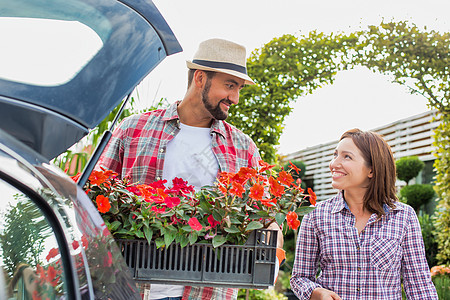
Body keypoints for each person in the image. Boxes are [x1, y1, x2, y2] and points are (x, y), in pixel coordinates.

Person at [98, 38, 284, 300]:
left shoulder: (243, 147)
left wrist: (272, 261)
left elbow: (266, 217)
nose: (235, 98)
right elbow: (93, 199)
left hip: (208, 290)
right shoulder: (133, 130)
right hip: (133, 286)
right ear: (200, 78)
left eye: (239, 88)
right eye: (230, 86)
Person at [290, 129, 438, 300]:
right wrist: (316, 292)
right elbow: (299, 278)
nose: (334, 164)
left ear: (372, 170)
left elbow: (419, 286)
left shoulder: (404, 217)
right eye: (335, 155)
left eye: (347, 157)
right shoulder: (315, 216)